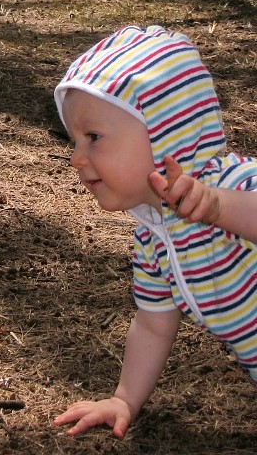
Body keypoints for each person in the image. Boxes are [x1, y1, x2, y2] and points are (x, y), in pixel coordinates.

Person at [51, 25, 257, 439]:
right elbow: (152, 324)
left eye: (93, 137)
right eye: (73, 140)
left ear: (166, 132)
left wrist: (218, 207)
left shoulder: (231, 184)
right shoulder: (154, 237)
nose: (76, 158)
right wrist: (125, 398)